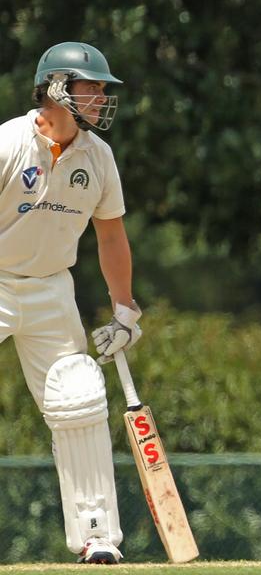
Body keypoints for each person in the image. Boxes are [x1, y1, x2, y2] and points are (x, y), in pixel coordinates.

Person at [0, 42, 145, 564]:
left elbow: (111, 238)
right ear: (58, 86)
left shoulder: (97, 157)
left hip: (50, 287)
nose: (103, 96)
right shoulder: (8, 143)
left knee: (78, 395)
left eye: (104, 88)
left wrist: (125, 309)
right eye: (94, 86)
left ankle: (96, 535)